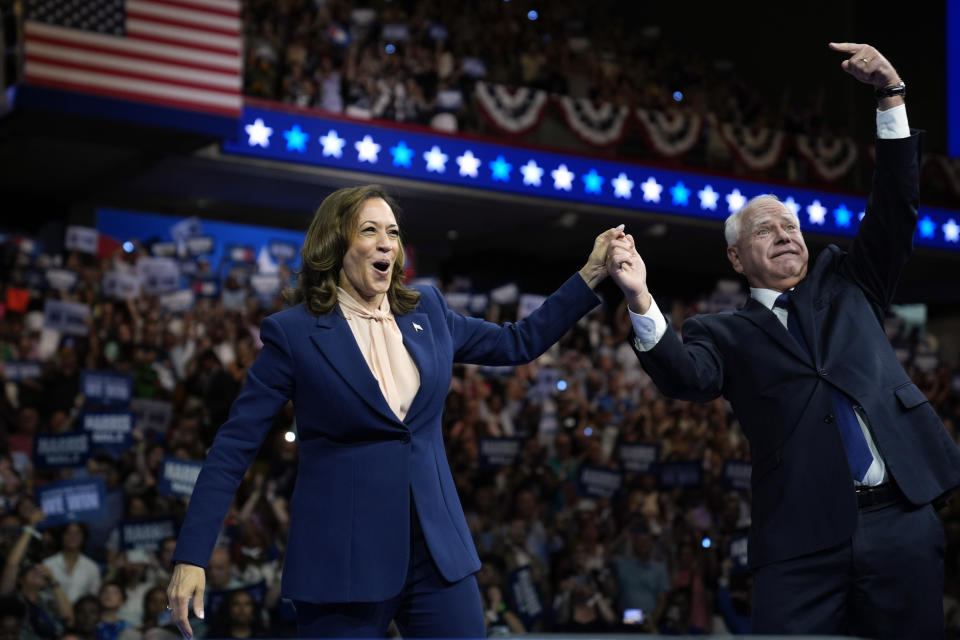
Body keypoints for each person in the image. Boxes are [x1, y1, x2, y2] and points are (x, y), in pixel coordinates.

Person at [606, 42, 960, 637]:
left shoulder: (851, 281)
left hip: (901, 518)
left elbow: (896, 207)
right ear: (736, 258)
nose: (784, 234)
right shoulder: (722, 331)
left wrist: (890, 96)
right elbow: (685, 377)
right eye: (764, 230)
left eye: (791, 225)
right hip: (800, 538)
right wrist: (642, 299)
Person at [167, 184, 620, 638]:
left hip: (437, 554)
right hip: (344, 562)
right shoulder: (295, 333)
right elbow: (234, 446)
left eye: (394, 232)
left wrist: (590, 273)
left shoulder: (429, 311)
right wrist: (192, 554)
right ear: (335, 244)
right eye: (369, 230)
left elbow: (520, 341)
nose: (387, 242)